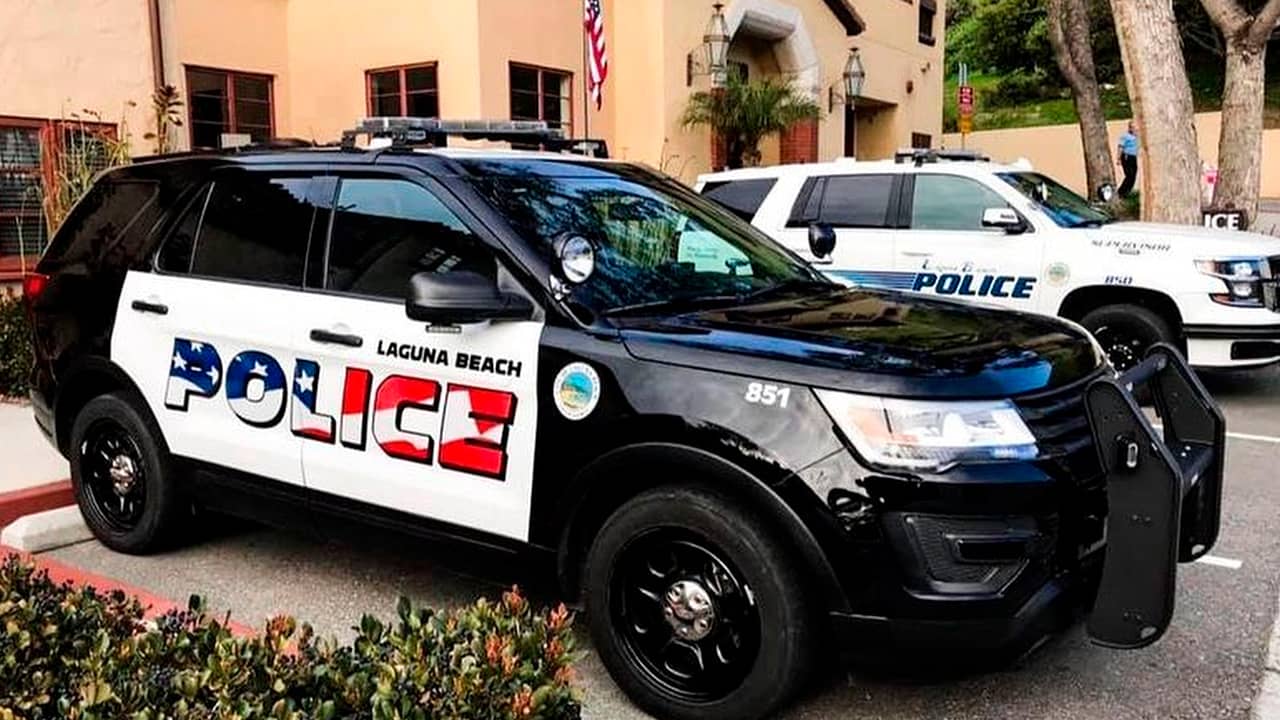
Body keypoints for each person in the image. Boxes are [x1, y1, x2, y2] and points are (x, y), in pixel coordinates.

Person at [1117, 121, 1139, 197]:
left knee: (1134, 175)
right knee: (1129, 175)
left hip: (1133, 158)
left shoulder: (1137, 136)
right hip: (1126, 157)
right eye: (1133, 127)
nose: (1135, 129)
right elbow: (1120, 147)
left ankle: (1127, 192)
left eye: (1135, 128)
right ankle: (1120, 192)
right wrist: (1119, 158)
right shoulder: (1125, 136)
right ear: (1129, 128)